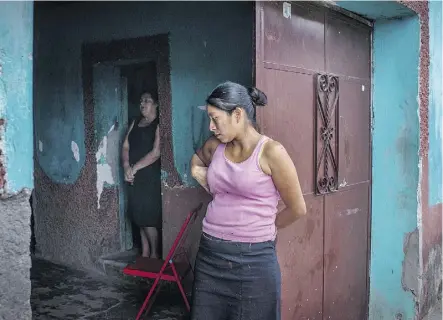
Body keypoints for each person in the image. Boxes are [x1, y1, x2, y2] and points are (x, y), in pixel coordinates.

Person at [190, 81, 307, 320]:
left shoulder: (272, 153)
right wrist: (204, 179)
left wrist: (266, 227)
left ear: (238, 114)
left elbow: (297, 208)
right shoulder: (215, 147)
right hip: (210, 257)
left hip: (254, 261)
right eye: (209, 120)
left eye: (215, 119)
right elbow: (196, 162)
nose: (211, 127)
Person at [122, 92, 162, 259]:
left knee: (148, 218)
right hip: (133, 175)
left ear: (156, 104)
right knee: (138, 215)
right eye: (141, 100)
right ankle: (144, 253)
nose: (142, 103)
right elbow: (125, 146)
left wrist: (134, 168)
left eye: (147, 100)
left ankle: (154, 254)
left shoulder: (158, 124)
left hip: (149, 176)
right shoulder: (135, 123)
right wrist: (126, 167)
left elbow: (156, 152)